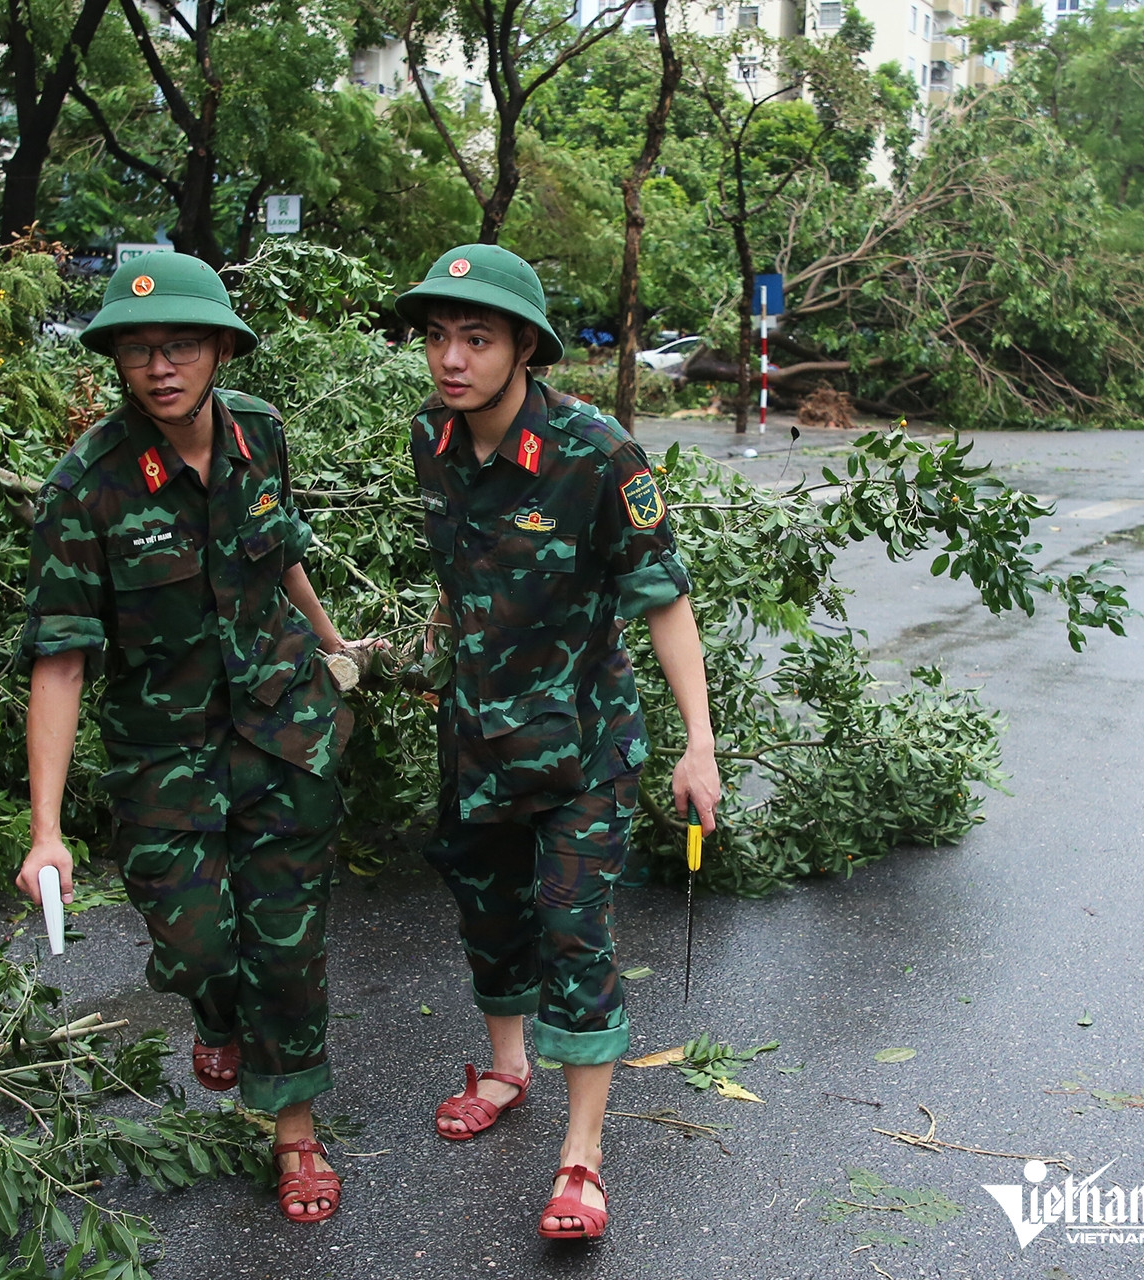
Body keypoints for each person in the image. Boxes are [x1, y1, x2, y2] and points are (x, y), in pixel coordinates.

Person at [14, 253, 365, 1223]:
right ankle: (216, 1009)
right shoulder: (86, 488)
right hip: (165, 756)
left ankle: (295, 1134)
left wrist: (337, 649)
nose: (158, 364)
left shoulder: (261, 432)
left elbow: (280, 550)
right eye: (136, 347)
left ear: (219, 346)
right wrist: (47, 829)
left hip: (285, 731)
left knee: (287, 948)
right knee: (202, 946)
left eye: (177, 343)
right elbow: (60, 660)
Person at [394, 244, 722, 1241]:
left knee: (572, 927)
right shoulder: (429, 438)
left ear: (525, 347)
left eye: (477, 337)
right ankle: (505, 1065)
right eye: (439, 336)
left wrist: (697, 745)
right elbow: (460, 580)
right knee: (491, 915)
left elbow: (664, 602)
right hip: (478, 738)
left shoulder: (596, 452)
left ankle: (581, 1157)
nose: (452, 357)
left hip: (584, 747)